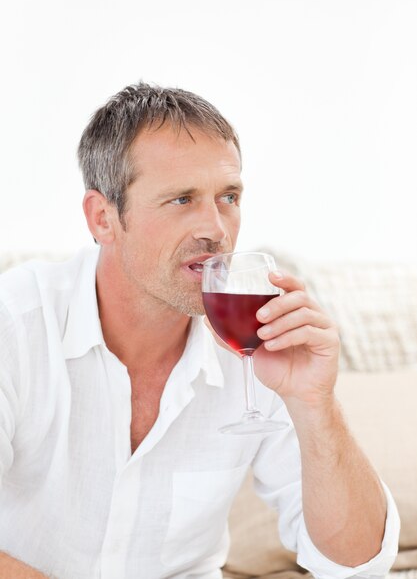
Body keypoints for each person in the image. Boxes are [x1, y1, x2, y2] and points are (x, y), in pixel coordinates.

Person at [0, 82, 399, 579]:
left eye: (228, 196)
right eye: (181, 199)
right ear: (103, 218)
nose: (216, 228)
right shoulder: (15, 324)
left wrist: (314, 406)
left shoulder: (259, 341)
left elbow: (357, 565)